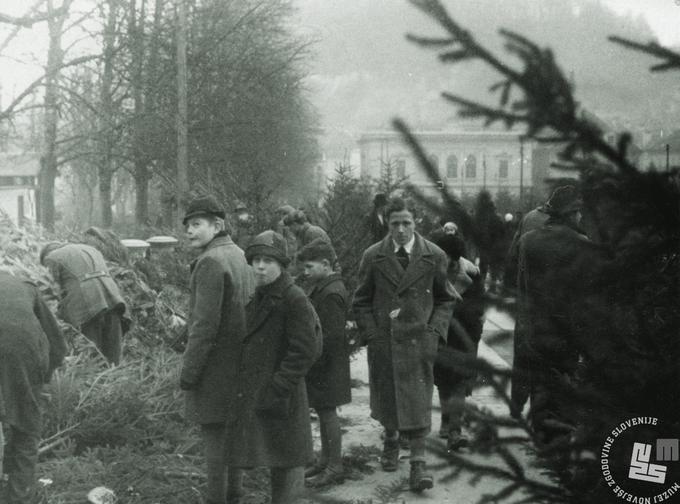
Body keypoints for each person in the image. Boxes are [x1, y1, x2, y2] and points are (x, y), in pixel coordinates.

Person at [352, 197, 455, 493]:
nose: (400, 230)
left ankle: (419, 465)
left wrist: (434, 330)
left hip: (419, 340)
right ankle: (391, 438)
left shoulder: (433, 255)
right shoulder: (373, 256)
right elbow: (361, 300)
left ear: (416, 223)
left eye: (406, 223)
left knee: (418, 399)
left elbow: (446, 298)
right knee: (390, 397)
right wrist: (372, 334)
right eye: (395, 223)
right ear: (387, 223)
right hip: (385, 340)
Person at [225, 230, 321, 504]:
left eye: (268, 260)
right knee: (275, 458)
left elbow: (305, 350)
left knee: (287, 463)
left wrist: (277, 387)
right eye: (256, 260)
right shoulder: (261, 296)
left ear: (281, 264)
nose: (260, 266)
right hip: (264, 394)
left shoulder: (293, 298)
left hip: (283, 398)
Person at [514, 186, 606, 444]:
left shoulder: (528, 240)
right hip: (568, 330)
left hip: (534, 327)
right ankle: (560, 441)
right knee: (564, 385)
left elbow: (520, 285)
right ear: (572, 213)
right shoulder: (582, 244)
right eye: (578, 213)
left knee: (539, 382)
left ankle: (541, 436)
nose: (580, 218)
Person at [180, 195, 255, 504]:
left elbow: (204, 327)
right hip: (240, 364)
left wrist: (188, 373)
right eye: (187, 226)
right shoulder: (238, 254)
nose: (189, 232)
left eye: (196, 225)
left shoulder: (211, 261)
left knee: (213, 443)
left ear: (218, 226)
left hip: (215, 368)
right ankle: (235, 495)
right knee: (232, 438)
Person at [0, 271, 66, 504]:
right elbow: (56, 341)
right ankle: (18, 497)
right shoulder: (21, 283)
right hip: (23, 347)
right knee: (26, 425)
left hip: (18, 345)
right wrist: (42, 381)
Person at [297, 239, 351, 488]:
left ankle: (334, 466)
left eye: (309, 266)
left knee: (328, 414)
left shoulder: (330, 292)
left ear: (326, 264)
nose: (305, 272)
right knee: (323, 411)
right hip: (325, 364)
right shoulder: (325, 286)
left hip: (327, 365)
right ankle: (324, 460)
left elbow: (330, 336)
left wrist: (313, 360)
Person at [432, 234, 485, 451]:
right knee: (443, 379)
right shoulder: (431, 272)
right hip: (440, 333)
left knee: (460, 381)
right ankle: (446, 422)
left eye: (450, 260)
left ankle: (455, 430)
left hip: (465, 334)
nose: (447, 264)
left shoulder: (471, 275)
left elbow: (478, 308)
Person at [40, 241, 129, 365]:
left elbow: (53, 291)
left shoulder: (52, 257)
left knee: (90, 353)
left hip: (85, 302)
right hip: (112, 296)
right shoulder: (90, 249)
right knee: (112, 351)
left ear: (46, 255)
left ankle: (94, 381)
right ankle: (116, 379)